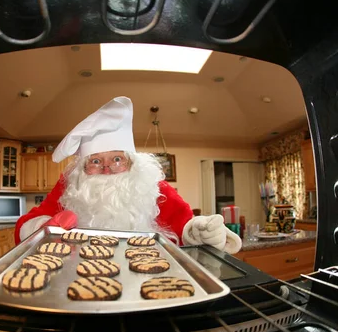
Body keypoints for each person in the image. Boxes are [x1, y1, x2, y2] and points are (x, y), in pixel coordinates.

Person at [14, 96, 242, 254]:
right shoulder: (71, 188)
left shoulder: (150, 185)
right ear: (83, 169)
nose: (106, 168)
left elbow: (184, 224)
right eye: (95, 161)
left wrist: (200, 232)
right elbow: (25, 225)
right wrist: (44, 228)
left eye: (116, 159)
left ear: (131, 162)